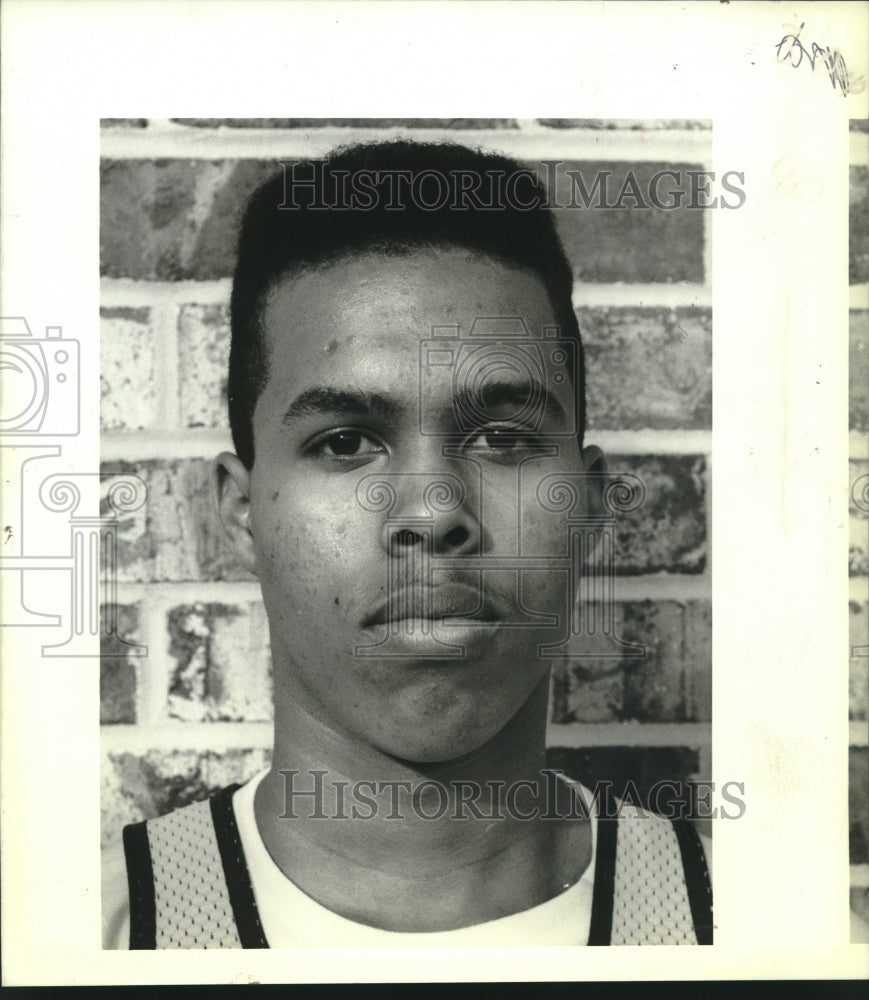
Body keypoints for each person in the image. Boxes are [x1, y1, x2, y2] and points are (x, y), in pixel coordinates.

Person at [102, 139, 713, 948]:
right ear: (240, 511)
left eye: (501, 437)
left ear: (588, 503)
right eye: (346, 442)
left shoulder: (762, 934)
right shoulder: (83, 937)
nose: (431, 512)